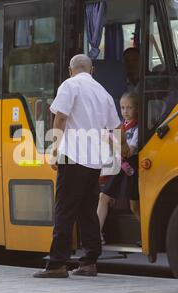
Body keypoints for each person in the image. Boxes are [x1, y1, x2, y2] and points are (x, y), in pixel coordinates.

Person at [33, 54, 130, 278]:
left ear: (70, 70)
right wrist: (123, 149)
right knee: (87, 211)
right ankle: (89, 261)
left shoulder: (70, 85)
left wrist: (55, 150)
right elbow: (116, 127)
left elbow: (60, 118)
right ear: (92, 70)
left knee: (64, 210)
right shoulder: (102, 92)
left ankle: (57, 263)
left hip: (72, 156)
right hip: (94, 160)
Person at [97, 91, 140, 245]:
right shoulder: (120, 126)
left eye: (129, 108)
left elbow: (130, 151)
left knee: (134, 205)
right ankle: (96, 236)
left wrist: (109, 140)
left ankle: (147, 234)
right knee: (104, 197)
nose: (125, 112)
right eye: (122, 108)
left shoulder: (137, 129)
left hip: (130, 170)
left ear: (137, 109)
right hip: (118, 168)